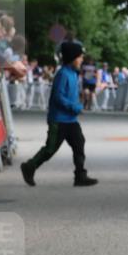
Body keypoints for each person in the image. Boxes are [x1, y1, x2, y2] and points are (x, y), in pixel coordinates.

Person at [20, 40, 99, 187]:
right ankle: (30, 166)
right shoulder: (62, 74)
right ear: (72, 58)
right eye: (80, 57)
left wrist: (78, 104)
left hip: (71, 120)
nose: (82, 59)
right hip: (59, 120)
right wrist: (74, 107)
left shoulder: (74, 74)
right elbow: (58, 97)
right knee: (50, 149)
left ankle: (80, 176)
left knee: (79, 144)